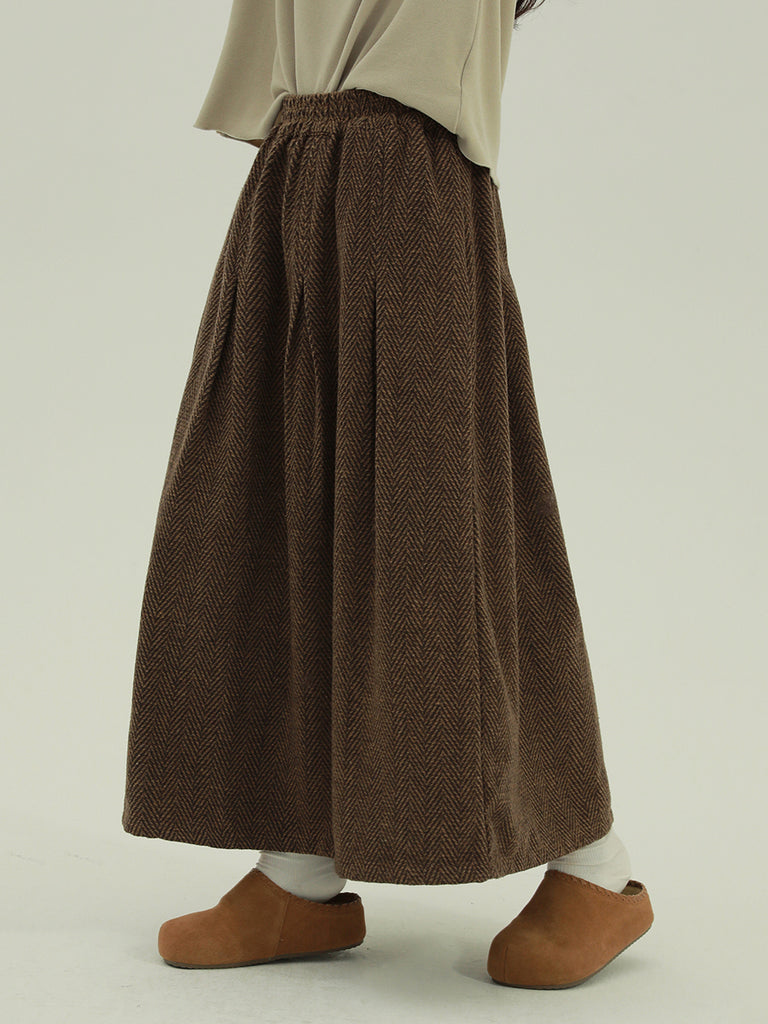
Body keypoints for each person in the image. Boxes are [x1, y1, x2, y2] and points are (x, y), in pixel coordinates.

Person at [122, 0, 654, 988]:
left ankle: (596, 867)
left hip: (411, 170)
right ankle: (300, 872)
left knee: (436, 540)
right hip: (295, 162)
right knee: (271, 513)